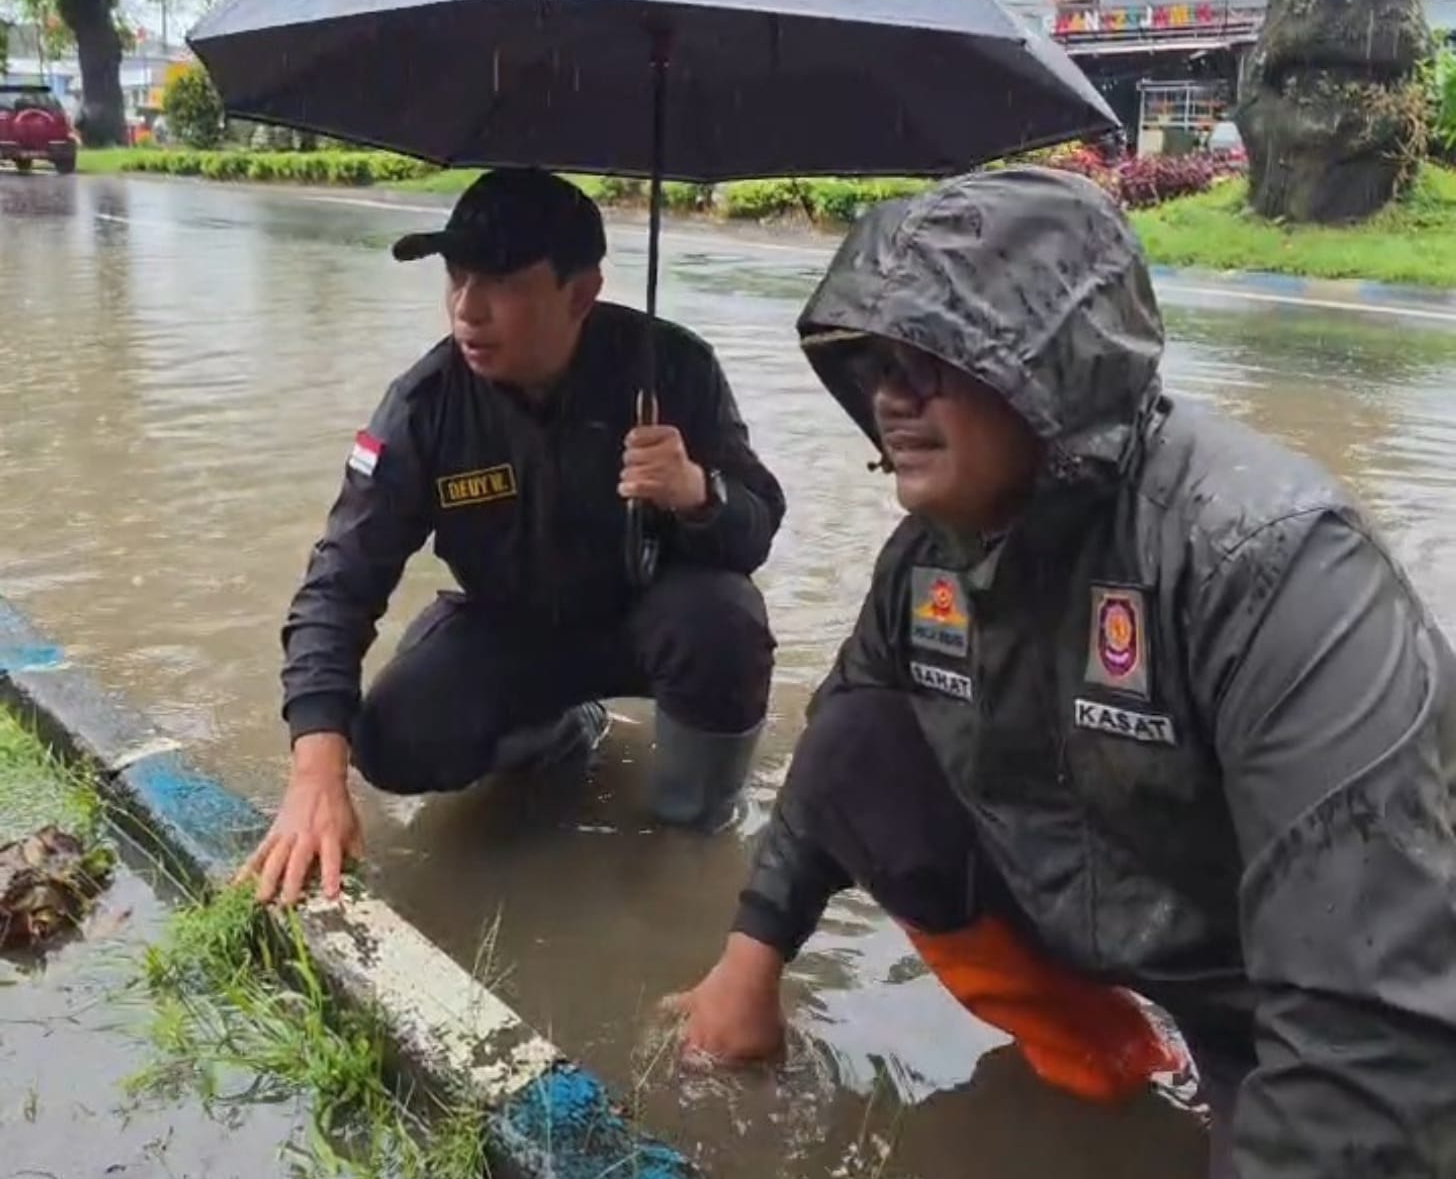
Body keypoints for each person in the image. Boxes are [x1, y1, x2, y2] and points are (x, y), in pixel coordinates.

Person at [667, 167, 1456, 1178]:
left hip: (1273, 995)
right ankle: (1098, 1047)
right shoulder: (927, 559)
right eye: (874, 363)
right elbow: (841, 753)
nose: (889, 398)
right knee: (858, 733)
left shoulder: (1272, 568)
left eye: (930, 358)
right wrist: (750, 960)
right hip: (1097, 926)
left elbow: (1369, 1028)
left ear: (1051, 368)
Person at [241, 168, 786, 907]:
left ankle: (691, 827)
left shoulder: (675, 368)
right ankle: (565, 734)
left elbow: (757, 525)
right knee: (390, 738)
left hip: (649, 619)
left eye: (499, 283)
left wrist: (696, 493)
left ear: (581, 293)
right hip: (511, 627)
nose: (468, 310)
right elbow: (338, 584)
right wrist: (314, 776)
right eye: (457, 278)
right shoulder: (423, 406)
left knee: (722, 620)